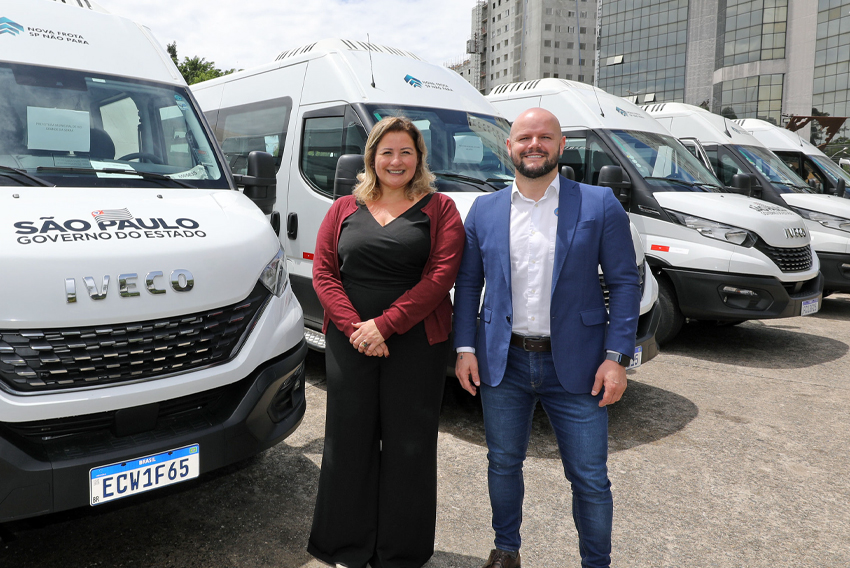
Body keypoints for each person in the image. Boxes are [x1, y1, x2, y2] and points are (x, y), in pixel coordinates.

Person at [453, 108, 641, 568]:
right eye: (523, 138)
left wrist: (617, 357)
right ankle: (506, 549)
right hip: (505, 362)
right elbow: (469, 283)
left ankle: (596, 563)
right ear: (509, 147)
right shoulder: (485, 209)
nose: (533, 145)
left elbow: (624, 283)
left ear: (560, 146)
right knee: (503, 464)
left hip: (578, 364)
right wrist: (465, 348)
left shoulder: (599, 204)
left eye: (544, 137)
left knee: (590, 478)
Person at [308, 116, 465, 568]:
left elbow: (440, 278)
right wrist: (357, 327)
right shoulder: (342, 208)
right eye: (387, 152)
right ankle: (345, 547)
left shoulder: (440, 208)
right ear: (371, 157)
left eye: (406, 152)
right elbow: (324, 273)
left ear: (419, 159)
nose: (396, 161)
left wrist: (385, 325)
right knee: (348, 440)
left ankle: (401, 553)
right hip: (350, 341)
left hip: (416, 344)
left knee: (409, 445)